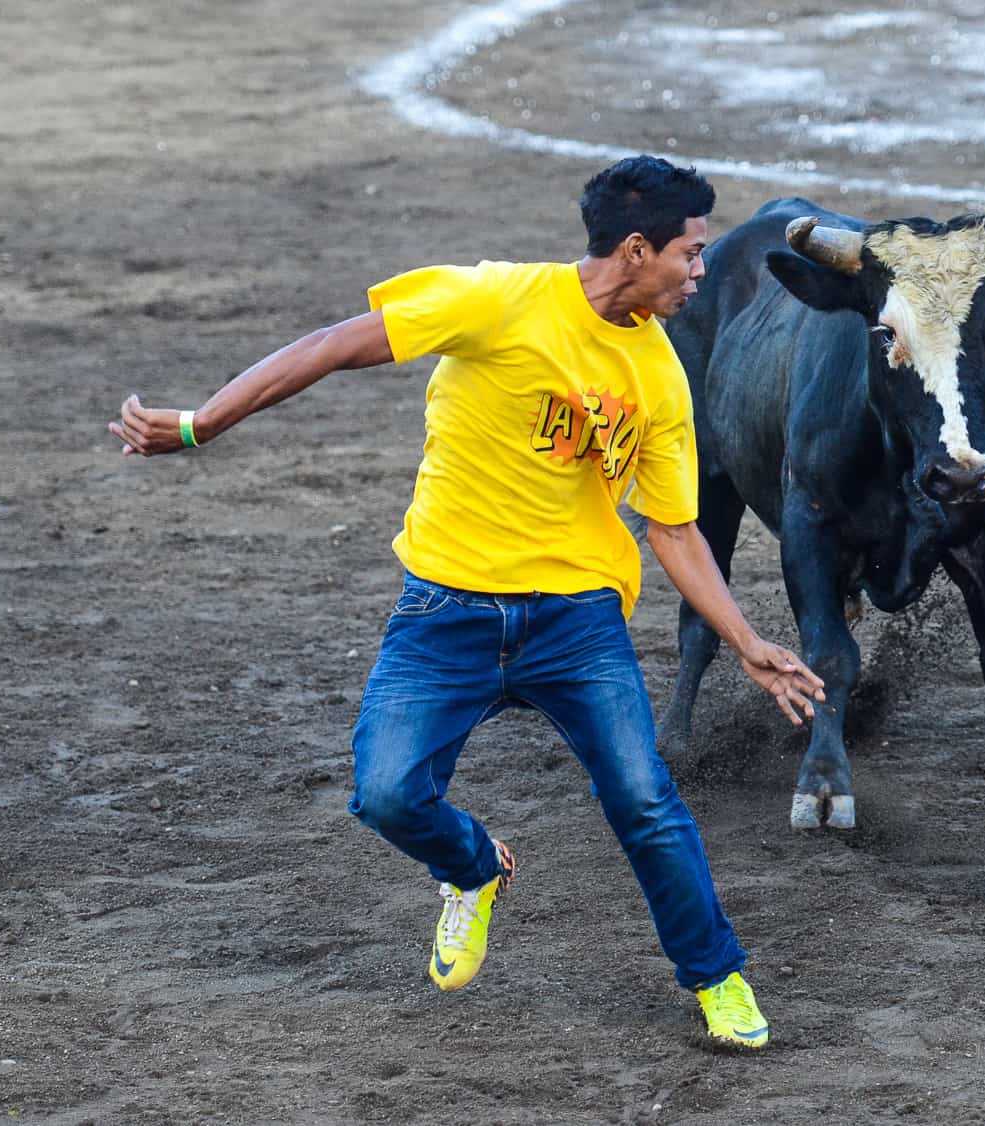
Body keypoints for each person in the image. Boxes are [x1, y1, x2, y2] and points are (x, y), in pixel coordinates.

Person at [107, 155, 825, 1049]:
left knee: (645, 802)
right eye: (692, 253)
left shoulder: (658, 375)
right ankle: (476, 869)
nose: (700, 273)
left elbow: (673, 531)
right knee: (386, 795)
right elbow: (334, 344)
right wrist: (201, 422)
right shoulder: (495, 301)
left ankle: (716, 977)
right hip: (443, 612)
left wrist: (747, 639)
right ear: (636, 250)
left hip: (577, 625)